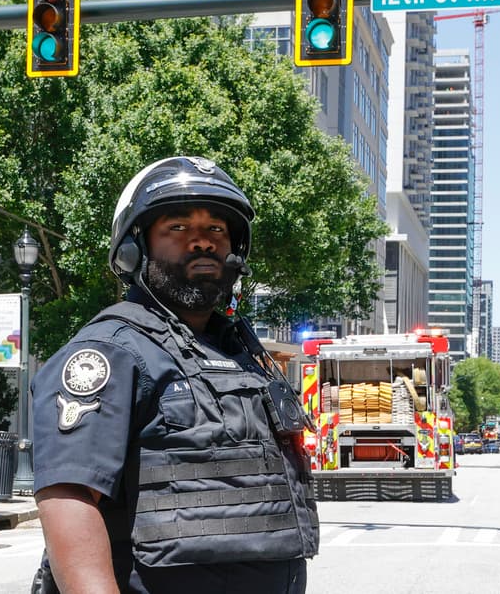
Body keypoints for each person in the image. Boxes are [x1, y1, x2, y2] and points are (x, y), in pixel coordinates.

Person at [31, 156, 319, 593]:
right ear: (133, 247)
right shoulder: (111, 351)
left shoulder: (242, 354)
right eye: (179, 228)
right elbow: (68, 498)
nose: (202, 243)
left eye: (216, 230)